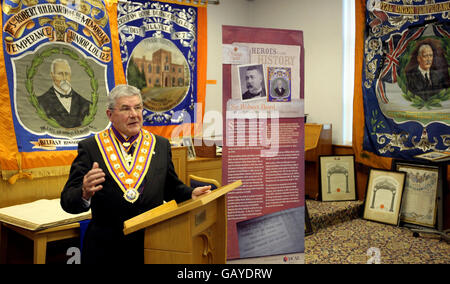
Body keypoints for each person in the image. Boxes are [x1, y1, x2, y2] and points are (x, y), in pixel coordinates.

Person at [60, 84, 211, 264]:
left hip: (153, 244)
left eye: (138, 107)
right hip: (106, 249)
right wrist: (84, 192)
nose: (134, 114)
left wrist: (189, 193)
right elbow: (67, 201)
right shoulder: (91, 147)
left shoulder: (160, 145)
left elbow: (171, 188)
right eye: (125, 109)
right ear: (110, 115)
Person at [37, 58, 91, 128]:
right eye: (60, 74)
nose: (64, 78)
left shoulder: (86, 104)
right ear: (52, 75)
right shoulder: (40, 102)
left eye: (67, 74)